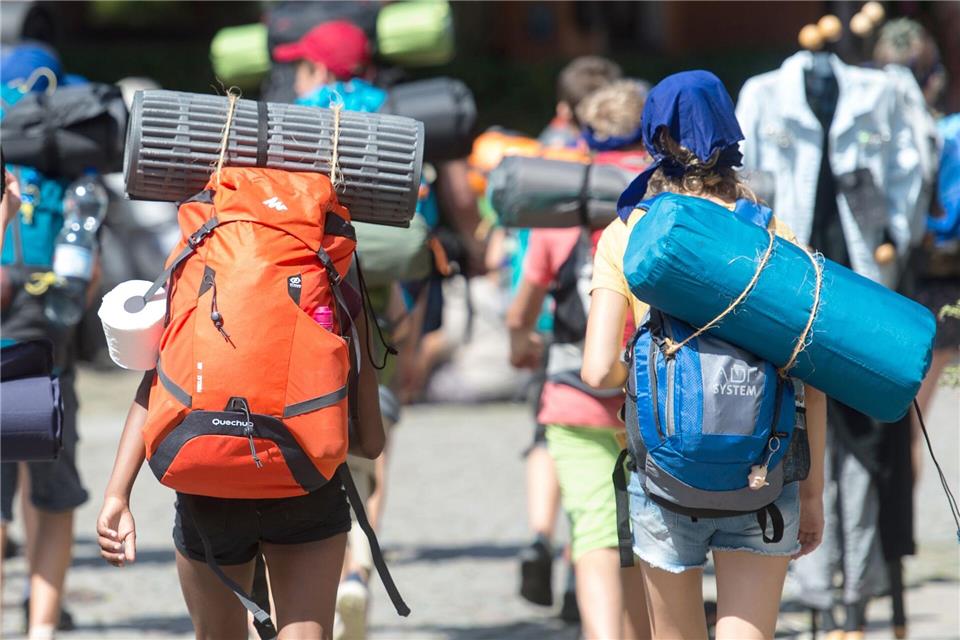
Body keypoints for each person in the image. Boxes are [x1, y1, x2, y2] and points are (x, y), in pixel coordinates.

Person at [581, 71, 826, 640]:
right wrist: (812, 495)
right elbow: (810, 379)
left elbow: (595, 369)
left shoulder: (628, 233)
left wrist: (648, 368)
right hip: (763, 472)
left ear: (654, 137)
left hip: (666, 473)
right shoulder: (774, 233)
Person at [97, 295, 385, 639]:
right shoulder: (332, 285)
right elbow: (372, 443)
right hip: (305, 487)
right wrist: (301, 429)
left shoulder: (192, 274)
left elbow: (154, 385)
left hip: (209, 488)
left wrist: (117, 494)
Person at [508, 79, 651, 639]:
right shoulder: (663, 207)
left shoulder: (564, 208)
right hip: (653, 400)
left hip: (574, 393)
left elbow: (523, 309)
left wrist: (521, 343)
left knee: (595, 531)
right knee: (648, 535)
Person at [0, 43, 93, 640]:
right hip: (45, 341)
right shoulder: (71, 159)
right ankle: (41, 626)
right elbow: (89, 275)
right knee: (50, 488)